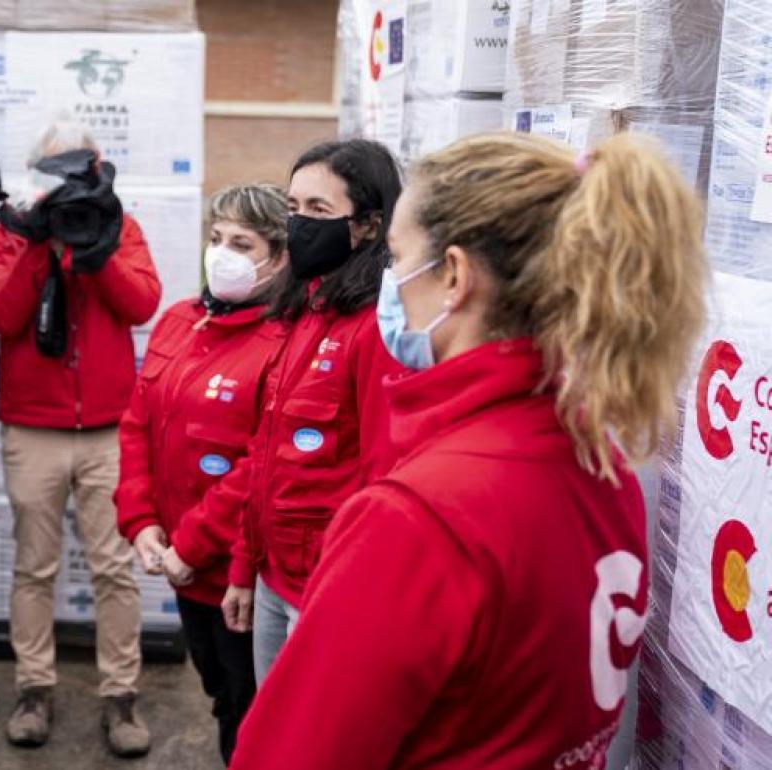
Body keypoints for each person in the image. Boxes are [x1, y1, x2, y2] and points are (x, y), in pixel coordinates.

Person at [230, 131, 706, 769]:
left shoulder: (420, 517)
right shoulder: (601, 463)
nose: (390, 285)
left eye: (397, 258)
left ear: (453, 275)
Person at [0, 119, 161, 757]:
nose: (69, 183)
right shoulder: (9, 231)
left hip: (109, 427)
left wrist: (97, 249)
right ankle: (35, 689)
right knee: (34, 567)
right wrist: (35, 244)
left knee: (115, 568)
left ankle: (121, 696)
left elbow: (142, 304)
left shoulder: (120, 228)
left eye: (80, 168)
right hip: (34, 427)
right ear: (36, 176)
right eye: (57, 170)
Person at [212, 140, 404, 682]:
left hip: (329, 589)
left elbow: (383, 476)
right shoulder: (309, 309)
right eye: (293, 208)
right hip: (274, 578)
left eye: (318, 210)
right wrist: (245, 566)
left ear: (367, 225)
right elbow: (268, 453)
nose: (300, 225)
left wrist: (354, 595)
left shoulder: (374, 331)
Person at [116, 184, 289, 765]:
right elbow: (138, 422)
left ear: (279, 257)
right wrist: (140, 521)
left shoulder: (282, 339)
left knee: (247, 705)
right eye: (217, 239)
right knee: (218, 692)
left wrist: (193, 543)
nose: (223, 253)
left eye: (243, 242)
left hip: (236, 574)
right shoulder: (179, 321)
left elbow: (258, 464)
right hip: (177, 566)